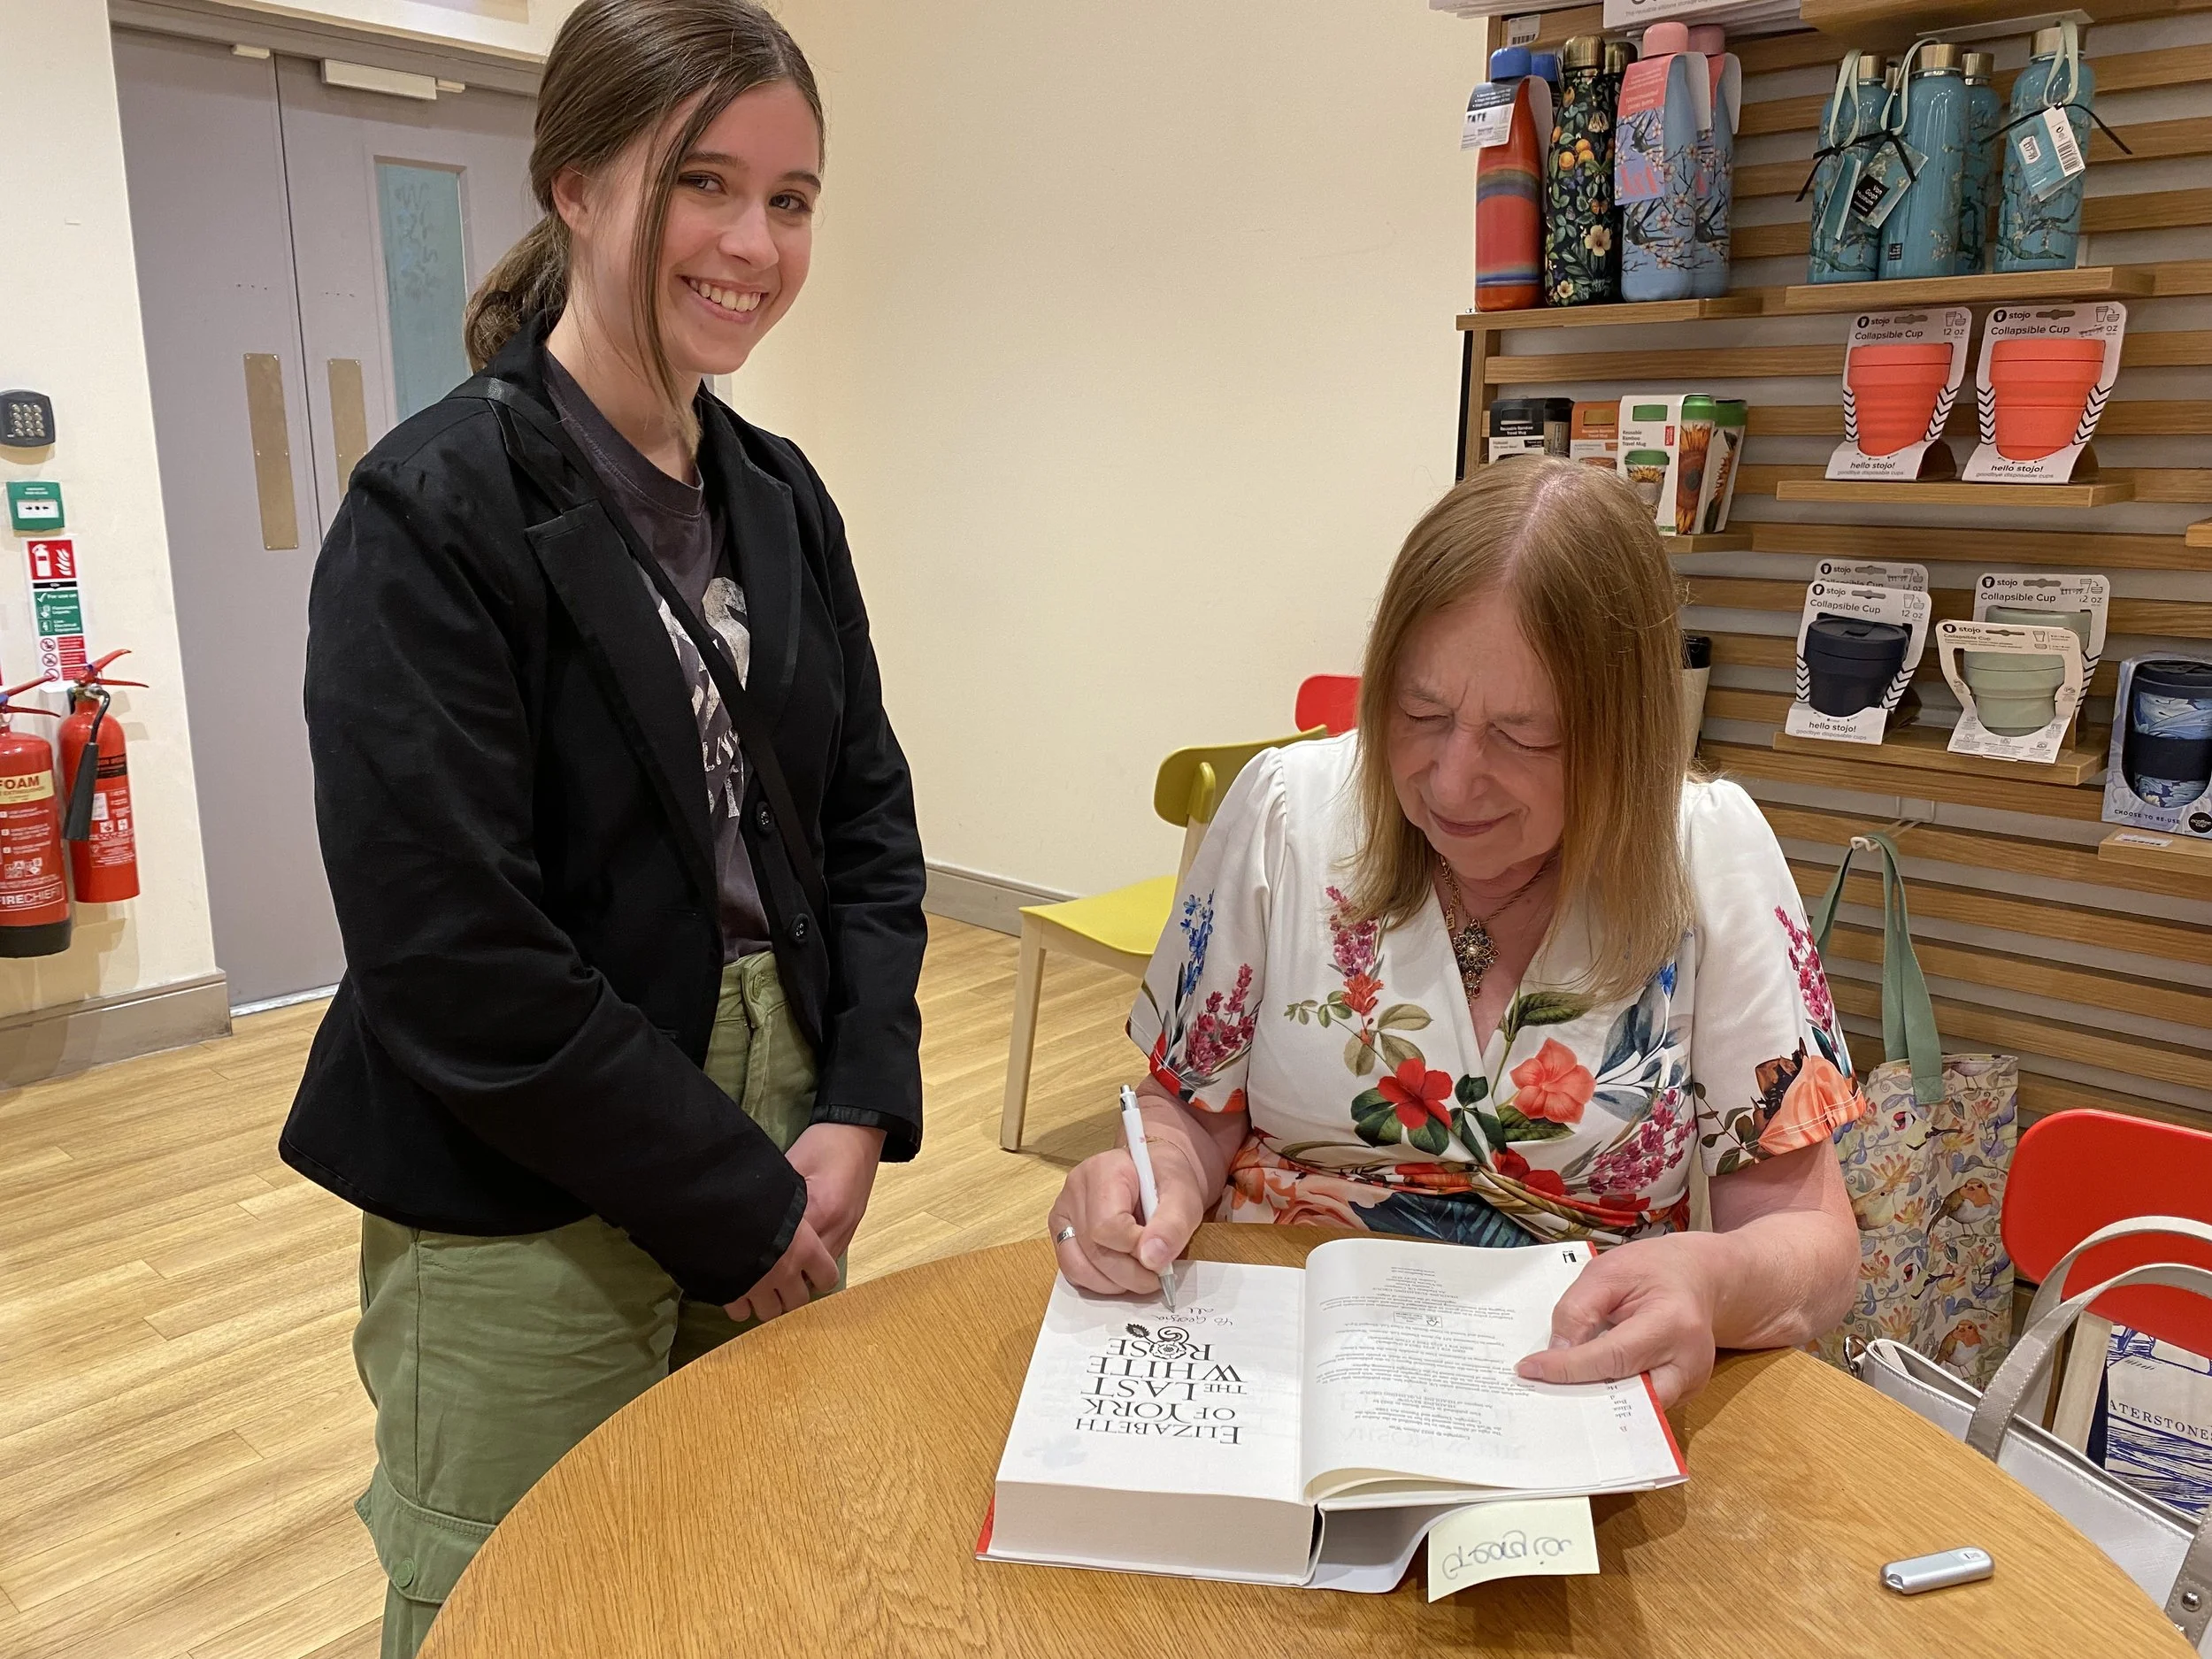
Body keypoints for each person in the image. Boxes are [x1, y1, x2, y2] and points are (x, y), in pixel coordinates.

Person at [277, 4, 926, 1651]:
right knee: (522, 1595)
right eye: (703, 182)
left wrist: (858, 1093)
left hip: (784, 1109)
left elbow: (863, 811)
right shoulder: (433, 511)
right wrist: (726, 1198)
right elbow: (451, 953)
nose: (754, 243)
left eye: (791, 199)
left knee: (730, 1558)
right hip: (526, 1153)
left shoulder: (778, 495)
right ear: (573, 185)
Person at [1048, 457, 1863, 1408]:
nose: (1450, 781)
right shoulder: (1288, 813)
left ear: (1625, 732)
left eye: (1523, 734)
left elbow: (1815, 1248)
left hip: (1570, 1377)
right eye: (1421, 712)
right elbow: (1190, 1106)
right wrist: (1153, 1180)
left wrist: (1711, 1281)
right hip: (1271, 1361)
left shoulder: (1706, 855)